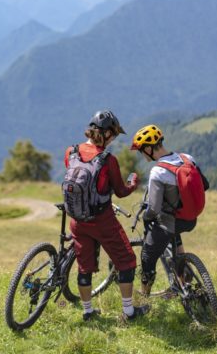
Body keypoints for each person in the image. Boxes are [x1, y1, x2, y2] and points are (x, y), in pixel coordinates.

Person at [65, 110, 150, 321]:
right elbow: (120, 191)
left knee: (84, 266)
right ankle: (129, 312)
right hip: (102, 221)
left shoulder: (71, 152)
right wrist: (133, 184)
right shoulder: (107, 160)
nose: (114, 139)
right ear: (107, 134)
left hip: (77, 219)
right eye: (113, 135)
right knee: (127, 260)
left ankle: (87, 311)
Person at [130, 124, 209, 296]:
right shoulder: (187, 158)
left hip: (171, 222)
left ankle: (144, 297)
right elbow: (206, 184)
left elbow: (154, 208)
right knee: (172, 234)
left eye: (142, 150)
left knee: (147, 257)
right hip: (191, 218)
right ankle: (184, 280)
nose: (142, 154)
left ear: (149, 149)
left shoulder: (158, 172)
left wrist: (146, 217)